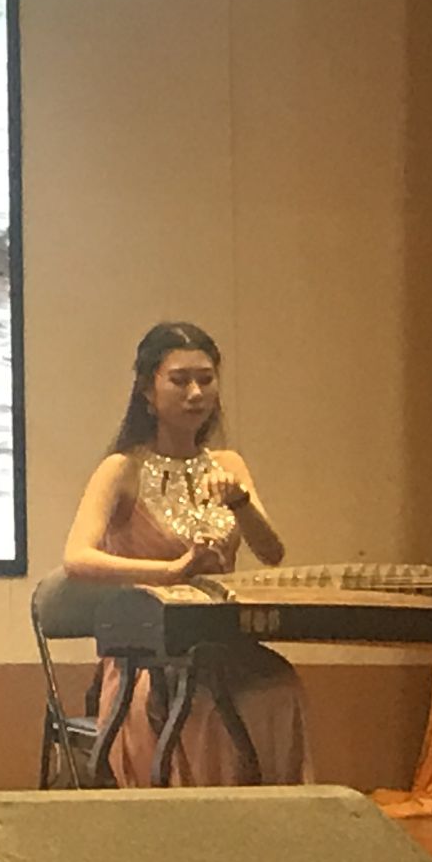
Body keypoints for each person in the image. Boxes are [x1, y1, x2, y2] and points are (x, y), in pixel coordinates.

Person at [61, 320, 311, 786]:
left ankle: (268, 820)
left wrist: (241, 502)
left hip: (223, 644)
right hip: (148, 658)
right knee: (202, 705)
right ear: (147, 390)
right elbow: (77, 558)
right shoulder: (122, 469)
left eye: (206, 379)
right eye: (180, 380)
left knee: (279, 687)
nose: (196, 393)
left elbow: (272, 552)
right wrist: (171, 571)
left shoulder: (228, 464)